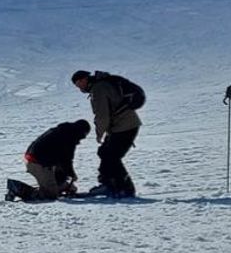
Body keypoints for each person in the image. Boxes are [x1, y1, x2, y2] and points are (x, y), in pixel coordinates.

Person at [71, 70, 142, 198]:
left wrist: (99, 134)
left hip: (125, 126)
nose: (78, 87)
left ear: (83, 80)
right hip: (123, 126)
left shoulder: (98, 89)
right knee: (105, 153)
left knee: (111, 156)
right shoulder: (101, 85)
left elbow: (102, 115)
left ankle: (122, 188)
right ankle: (110, 184)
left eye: (77, 84)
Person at [8, 119, 91, 201]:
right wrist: (72, 174)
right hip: (37, 163)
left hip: (43, 161)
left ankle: (59, 185)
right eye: (83, 135)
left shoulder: (64, 131)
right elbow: (66, 160)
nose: (82, 138)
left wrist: (66, 175)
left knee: (66, 186)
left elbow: (62, 160)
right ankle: (17, 188)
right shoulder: (68, 138)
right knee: (50, 195)